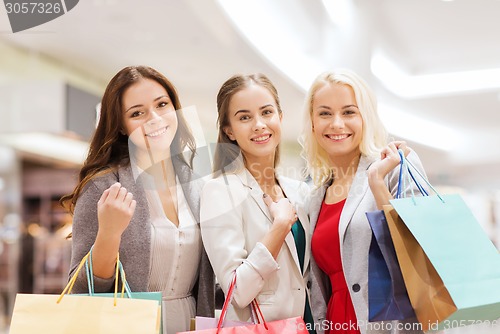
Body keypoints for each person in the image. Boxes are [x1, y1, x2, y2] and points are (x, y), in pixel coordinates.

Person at [61, 65, 214, 333]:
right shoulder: (103, 186)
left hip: (191, 322)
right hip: (130, 324)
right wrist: (109, 233)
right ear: (121, 125)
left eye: (162, 105)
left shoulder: (197, 186)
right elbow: (81, 289)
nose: (154, 118)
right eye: (137, 113)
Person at [300, 69, 424, 334]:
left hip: (389, 326)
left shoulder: (396, 166)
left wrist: (377, 183)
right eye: (324, 113)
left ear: (365, 117)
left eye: (348, 112)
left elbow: (418, 251)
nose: (336, 124)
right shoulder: (314, 198)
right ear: (312, 122)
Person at [200, 73, 315, 328]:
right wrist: (278, 228)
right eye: (244, 117)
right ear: (229, 130)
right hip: (259, 328)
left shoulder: (299, 192)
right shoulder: (219, 191)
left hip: (306, 324)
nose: (259, 124)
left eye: (266, 112)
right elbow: (237, 291)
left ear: (280, 117)